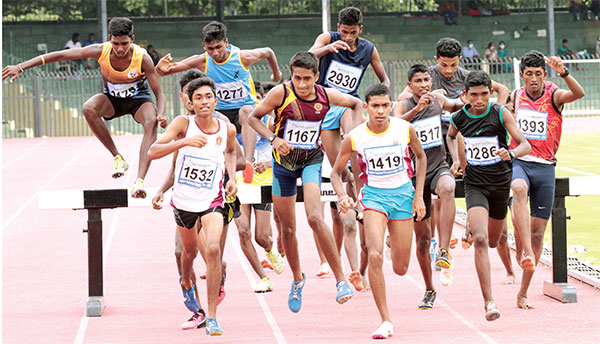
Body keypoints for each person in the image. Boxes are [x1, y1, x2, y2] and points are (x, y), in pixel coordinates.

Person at [2, 17, 168, 198]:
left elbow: (159, 93)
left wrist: (161, 114)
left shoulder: (142, 58)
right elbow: (60, 55)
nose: (120, 49)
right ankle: (118, 158)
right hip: (113, 100)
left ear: (132, 39)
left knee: (151, 121)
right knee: (88, 107)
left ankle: (139, 182)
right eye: (116, 43)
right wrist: (21, 66)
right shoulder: (100, 51)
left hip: (139, 100)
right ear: (109, 38)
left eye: (124, 44)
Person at [248, 52, 360, 313]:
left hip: (310, 161)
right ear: (291, 76)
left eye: (307, 79)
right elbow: (253, 118)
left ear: (316, 77)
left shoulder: (326, 95)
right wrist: (273, 139)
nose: (301, 84)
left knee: (315, 218)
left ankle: (341, 279)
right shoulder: (280, 93)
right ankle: (297, 278)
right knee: (287, 228)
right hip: (283, 167)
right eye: (297, 78)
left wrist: (354, 134)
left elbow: (356, 103)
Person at [398, 37, 510, 286]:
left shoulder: (468, 77)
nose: (448, 71)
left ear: (460, 61)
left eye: (453, 65)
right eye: (444, 65)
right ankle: (440, 241)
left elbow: (501, 91)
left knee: (458, 185)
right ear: (436, 60)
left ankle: (461, 234)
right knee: (437, 199)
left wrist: (493, 121)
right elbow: (402, 103)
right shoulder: (426, 79)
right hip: (434, 142)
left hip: (459, 137)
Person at [151, 69, 246, 331]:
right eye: (199, 98)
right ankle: (185, 278)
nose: (204, 102)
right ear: (190, 102)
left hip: (211, 200)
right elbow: (153, 151)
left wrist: (231, 178)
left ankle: (212, 317)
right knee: (188, 253)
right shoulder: (183, 125)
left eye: (209, 97)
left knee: (214, 249)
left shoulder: (227, 128)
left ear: (216, 100)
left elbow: (229, 152)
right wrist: (184, 143)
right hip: (183, 202)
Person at [331, 83, 426, 339]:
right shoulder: (355, 136)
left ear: (392, 106)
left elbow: (420, 157)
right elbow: (335, 173)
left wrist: (418, 196)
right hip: (373, 198)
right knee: (374, 256)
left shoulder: (405, 129)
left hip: (403, 196)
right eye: (375, 106)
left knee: (401, 268)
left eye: (385, 105)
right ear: (366, 107)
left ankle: (390, 237)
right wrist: (342, 196)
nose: (380, 111)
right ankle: (385, 320)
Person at [309, 5, 388, 288]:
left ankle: (365, 198)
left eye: (353, 33)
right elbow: (305, 59)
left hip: (348, 103)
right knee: (340, 169)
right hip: (323, 103)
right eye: (344, 32)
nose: (349, 37)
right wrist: (328, 48)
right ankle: (350, 195)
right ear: (338, 28)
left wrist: (381, 98)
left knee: (354, 152)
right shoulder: (326, 37)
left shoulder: (368, 49)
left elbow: (384, 78)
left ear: (360, 30)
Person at [447, 70, 531, 321]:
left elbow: (525, 144)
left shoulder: (500, 113)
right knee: (482, 240)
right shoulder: (458, 117)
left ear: (491, 93)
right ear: (465, 95)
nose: (480, 100)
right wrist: (456, 161)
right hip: (475, 185)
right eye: (474, 95)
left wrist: (512, 154)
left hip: (499, 186)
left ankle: (475, 230)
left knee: (494, 241)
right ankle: (489, 302)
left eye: (484, 94)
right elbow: (451, 138)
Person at [156, 21, 283, 183]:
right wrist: (160, 67)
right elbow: (165, 71)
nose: (215, 53)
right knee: (217, 118)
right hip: (221, 112)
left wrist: (276, 74)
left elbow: (268, 52)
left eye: (219, 47)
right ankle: (216, 163)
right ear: (204, 47)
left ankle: (247, 163)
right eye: (210, 49)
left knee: (246, 111)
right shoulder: (202, 61)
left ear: (226, 43)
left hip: (246, 112)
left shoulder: (242, 57)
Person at [508, 51, 584, 309]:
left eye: (538, 73)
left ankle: (523, 292)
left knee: (538, 233)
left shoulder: (553, 94)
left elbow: (578, 94)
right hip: (520, 161)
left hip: (545, 168)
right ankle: (524, 247)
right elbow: (500, 115)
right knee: (517, 187)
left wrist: (564, 72)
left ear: (544, 74)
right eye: (528, 74)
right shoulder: (516, 96)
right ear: (522, 76)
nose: (533, 79)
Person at [394, 64, 463, 307]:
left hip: (437, 166)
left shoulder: (438, 99)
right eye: (418, 81)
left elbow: (455, 106)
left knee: (448, 187)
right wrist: (417, 111)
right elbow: (395, 124)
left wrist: (465, 100)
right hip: (412, 178)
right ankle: (429, 288)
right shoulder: (404, 105)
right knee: (422, 240)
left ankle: (444, 250)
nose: (424, 84)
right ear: (409, 85)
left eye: (426, 80)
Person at [233, 80, 285, 294]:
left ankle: (270, 249)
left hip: (264, 182)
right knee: (243, 231)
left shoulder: (272, 124)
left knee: (261, 236)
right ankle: (263, 278)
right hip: (240, 183)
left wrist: (269, 164)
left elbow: (288, 150)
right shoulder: (236, 125)